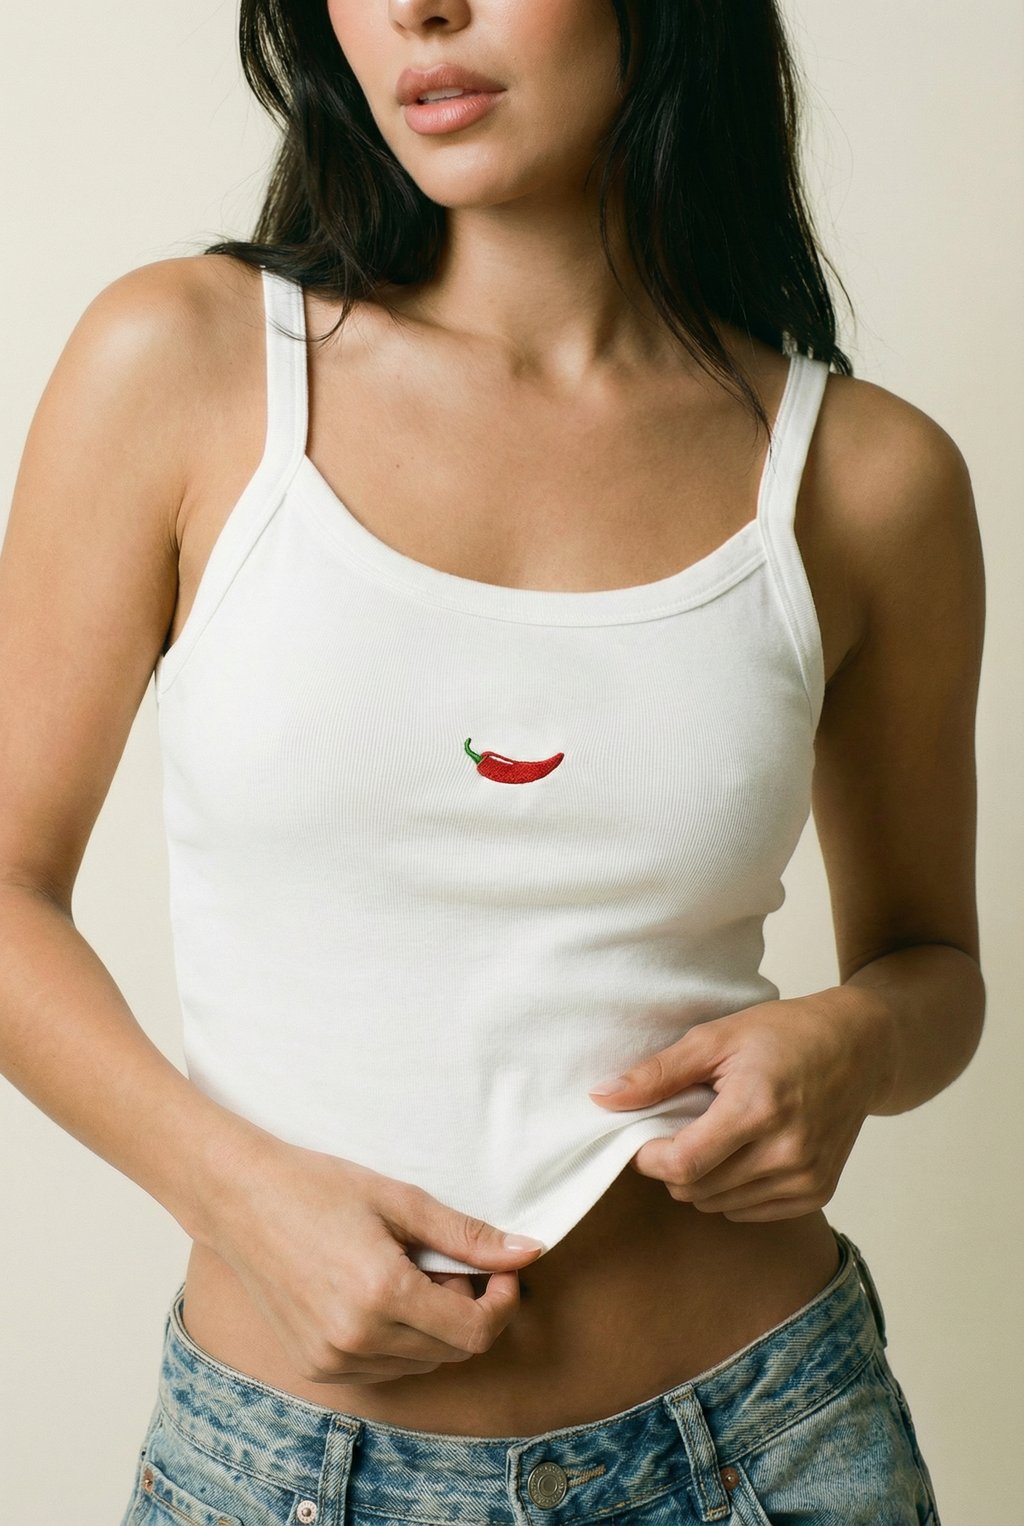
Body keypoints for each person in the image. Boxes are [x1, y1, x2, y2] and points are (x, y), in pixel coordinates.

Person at [0, 0, 984, 1521]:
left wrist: (854, 1041)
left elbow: (935, 967)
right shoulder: (182, 366)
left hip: (769, 1445)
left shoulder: (866, 479)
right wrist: (233, 1192)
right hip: (283, 1470)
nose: (420, 10)